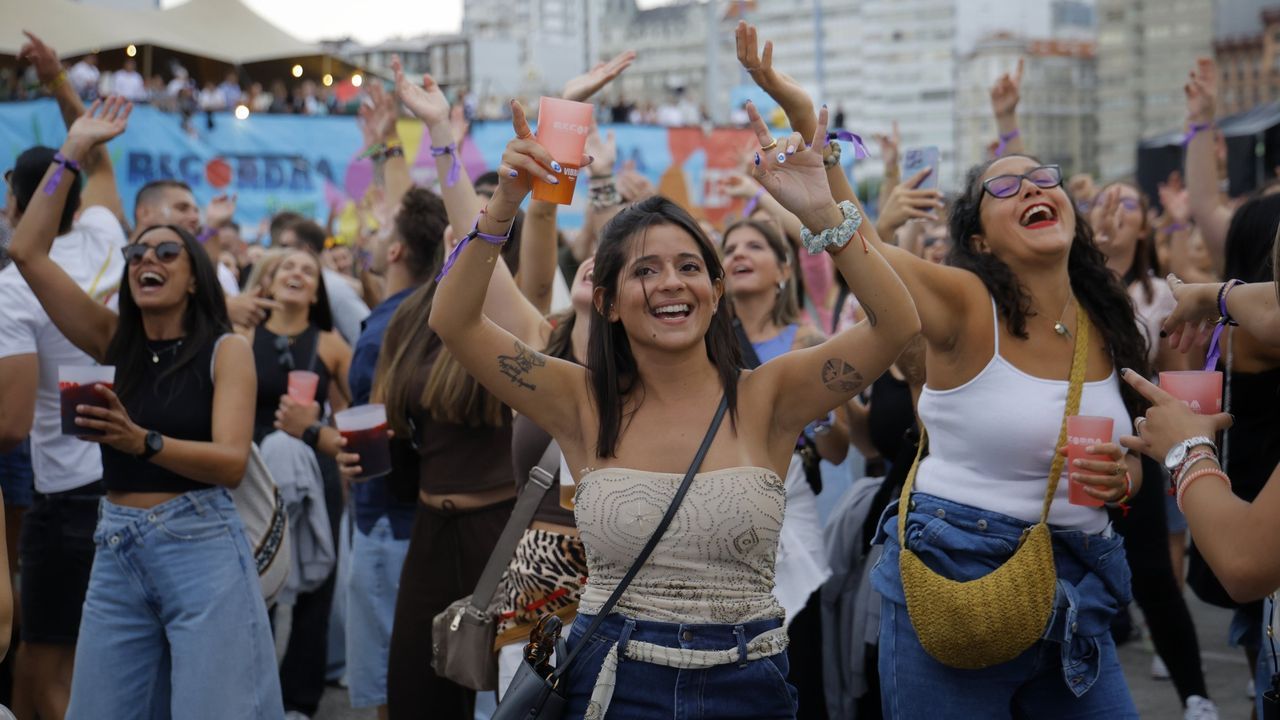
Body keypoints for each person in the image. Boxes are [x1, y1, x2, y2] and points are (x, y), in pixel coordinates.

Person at [428, 88, 918, 718]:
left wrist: (825, 213)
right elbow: (456, 321)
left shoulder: (768, 394)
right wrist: (505, 202)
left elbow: (896, 323)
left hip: (749, 683)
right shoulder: (578, 399)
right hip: (611, 683)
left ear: (715, 291)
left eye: (689, 266)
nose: (669, 284)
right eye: (643, 270)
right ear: (606, 300)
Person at [740, 18, 1147, 718]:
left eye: (1042, 180)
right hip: (957, 575)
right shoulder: (966, 301)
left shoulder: (1106, 320)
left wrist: (1127, 476)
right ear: (980, 239)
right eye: (1005, 188)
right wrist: (812, 135)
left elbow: (1132, 460)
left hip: (1077, 589)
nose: (1030, 188)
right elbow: (867, 246)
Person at [7, 97, 281, 718]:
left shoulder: (225, 352)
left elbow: (231, 462)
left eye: (164, 253)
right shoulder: (113, 340)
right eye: (136, 255)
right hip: (116, 544)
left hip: (201, 542)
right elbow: (27, 252)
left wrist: (142, 441)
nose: (145, 261)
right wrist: (71, 152)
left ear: (194, 277)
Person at [4, 32, 129, 720]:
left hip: (65, 506)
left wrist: (70, 142)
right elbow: (99, 155)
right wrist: (60, 88)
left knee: (47, 663)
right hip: (131, 480)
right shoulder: (109, 234)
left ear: (15, 204)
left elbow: (10, 423)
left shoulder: (18, 284)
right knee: (109, 659)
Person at [1090, 183, 1219, 718]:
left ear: (1145, 225)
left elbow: (1177, 374)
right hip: (1080, 438)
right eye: (1104, 201)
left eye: (1128, 204)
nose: (1113, 212)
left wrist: (1184, 445)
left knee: (1155, 576)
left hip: (1136, 446)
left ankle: (1196, 696)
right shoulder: (1073, 287)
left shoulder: (1156, 295)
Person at [720, 217, 850, 716]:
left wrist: (814, 410)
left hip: (791, 511)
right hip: (724, 514)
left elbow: (837, 449)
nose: (739, 253)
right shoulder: (704, 344)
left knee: (799, 649)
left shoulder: (808, 339)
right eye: (730, 247)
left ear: (782, 269)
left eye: (755, 245)